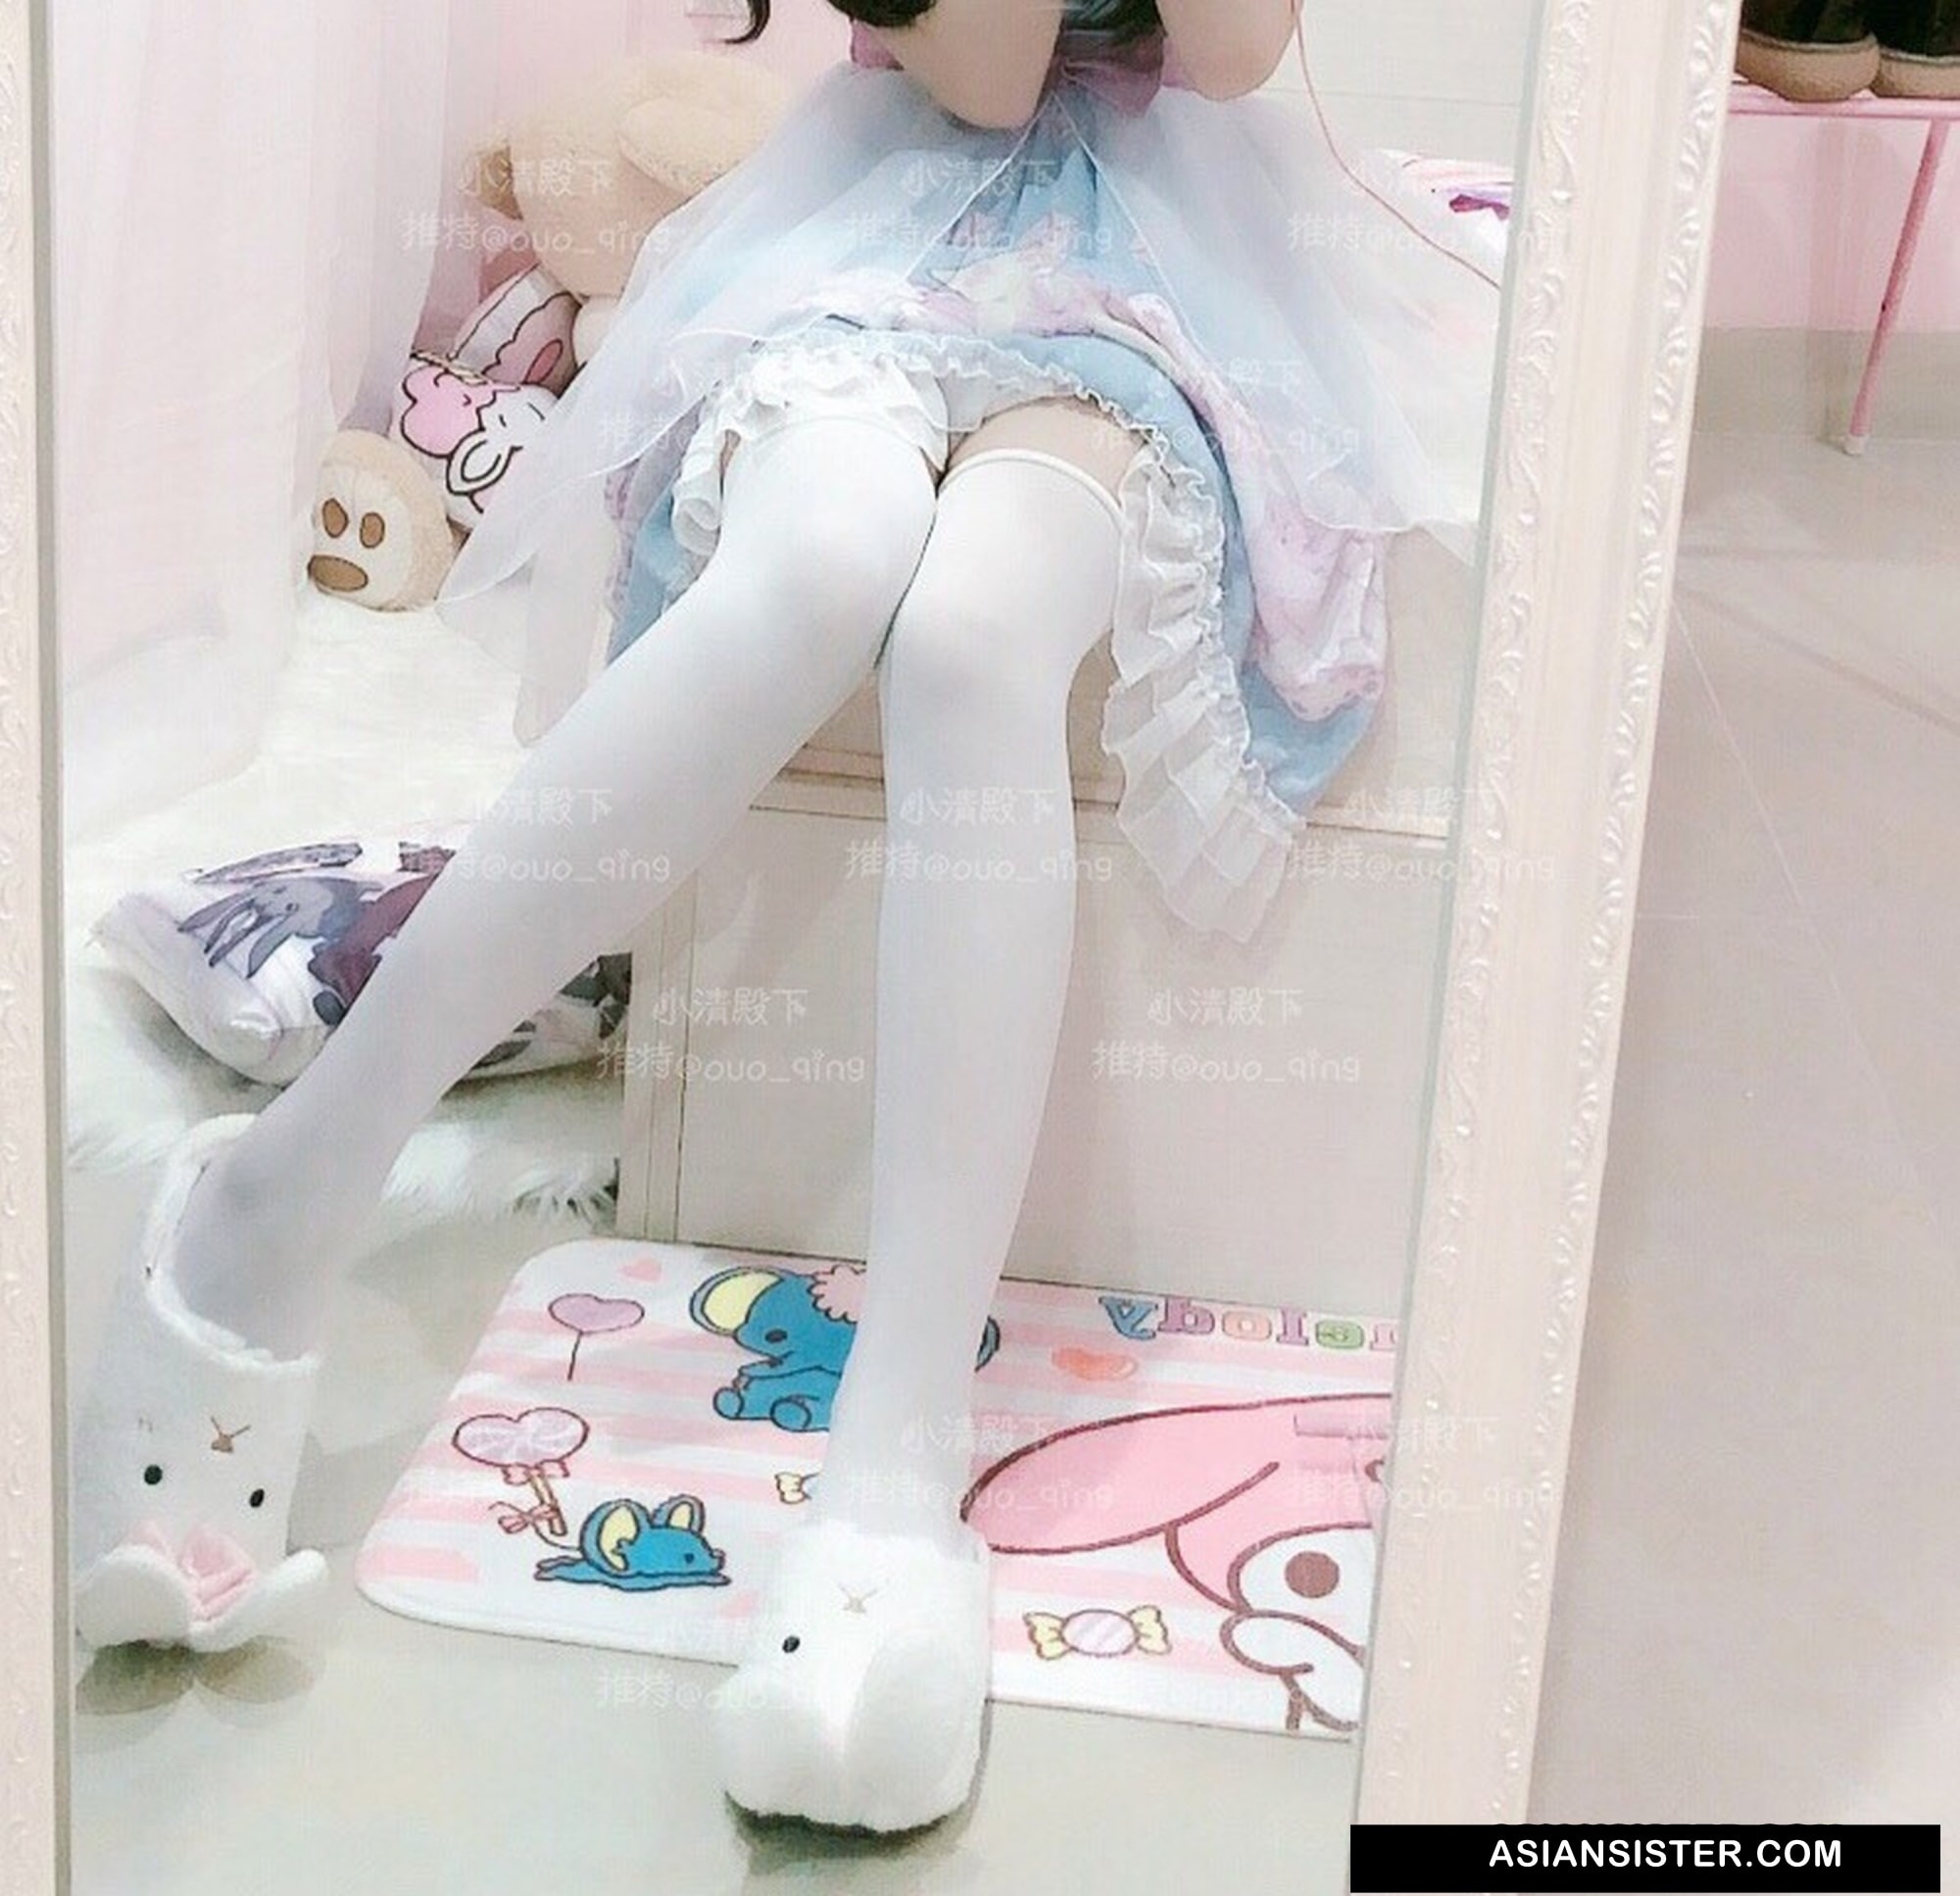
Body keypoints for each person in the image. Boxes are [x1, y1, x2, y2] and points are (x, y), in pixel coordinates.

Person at [72, 0, 1497, 1833]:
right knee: (817, 567)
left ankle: (895, 1467)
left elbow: (1228, 56)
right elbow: (980, 71)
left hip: (1147, 274)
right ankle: (284, 1189)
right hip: (884, 223)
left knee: (976, 636)